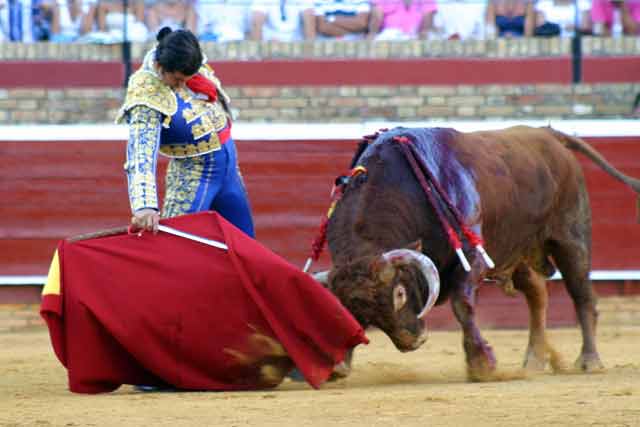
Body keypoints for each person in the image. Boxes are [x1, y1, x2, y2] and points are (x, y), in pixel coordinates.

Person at [116, 27, 255, 237]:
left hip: (229, 171)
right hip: (194, 176)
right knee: (176, 248)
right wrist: (144, 206)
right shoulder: (146, 92)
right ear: (159, 67)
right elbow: (141, 153)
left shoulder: (188, 60)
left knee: (245, 244)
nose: (184, 84)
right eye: (178, 79)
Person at [368, 0, 437, 40]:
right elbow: (377, 17)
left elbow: (428, 16)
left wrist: (421, 36)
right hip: (390, 36)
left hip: (414, 36)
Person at [249, 0, 316, 41]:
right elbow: (256, 24)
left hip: (296, 47)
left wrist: (309, 54)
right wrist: (260, 54)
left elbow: (310, 24)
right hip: (270, 46)